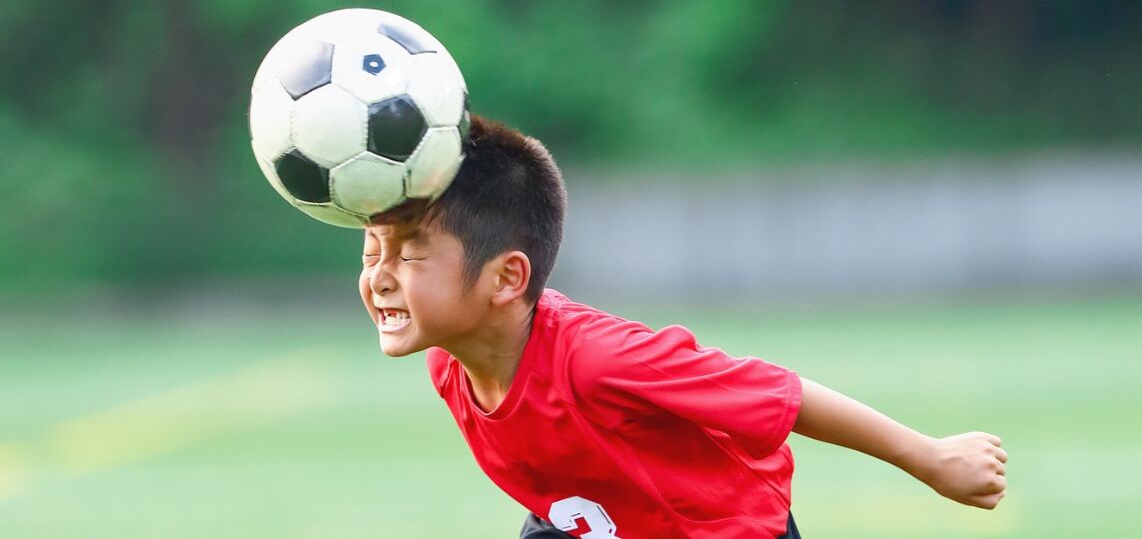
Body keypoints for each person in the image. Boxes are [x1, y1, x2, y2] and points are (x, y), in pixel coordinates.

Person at [359, 115, 1007, 538]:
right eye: (370, 251)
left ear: (506, 278)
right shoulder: (449, 365)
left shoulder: (598, 359)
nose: (380, 275)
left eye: (409, 254)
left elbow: (782, 396)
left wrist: (931, 457)